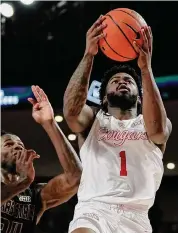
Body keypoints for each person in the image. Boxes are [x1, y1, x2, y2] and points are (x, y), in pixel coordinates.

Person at [63, 15, 172, 233]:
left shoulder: (152, 124)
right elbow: (71, 113)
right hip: (94, 209)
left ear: (139, 97)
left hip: (137, 216)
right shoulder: (93, 120)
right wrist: (89, 54)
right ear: (103, 98)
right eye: (115, 81)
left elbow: (159, 132)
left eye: (129, 81)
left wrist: (145, 69)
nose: (122, 81)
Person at [1, 85, 82, 233]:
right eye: (9, 144)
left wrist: (50, 123)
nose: (18, 147)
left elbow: (75, 178)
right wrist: (23, 182)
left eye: (20, 145)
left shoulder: (35, 195)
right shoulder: (24, 185)